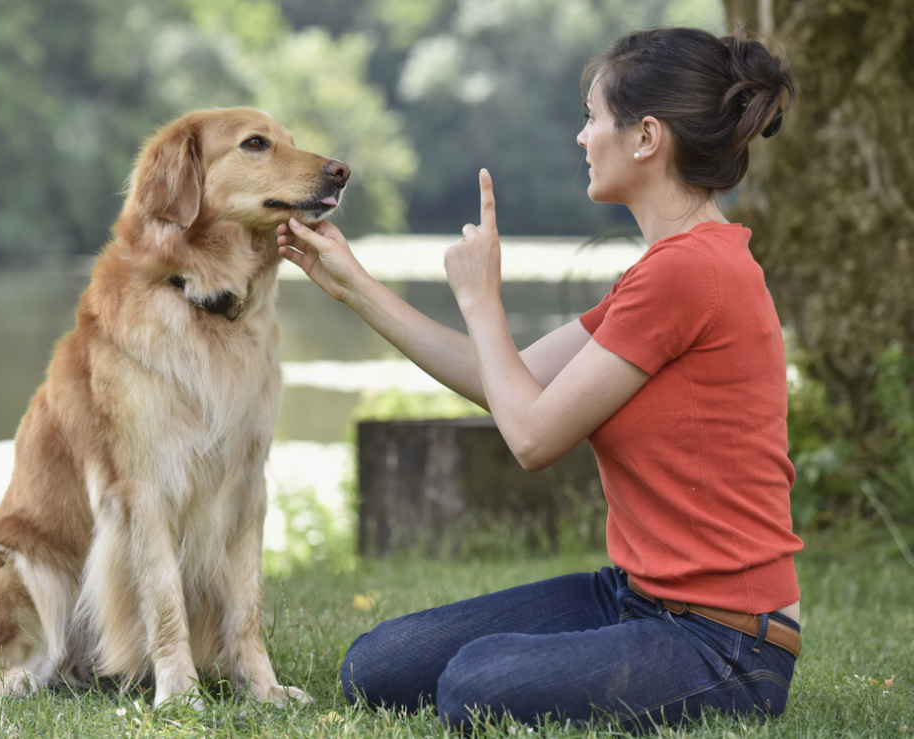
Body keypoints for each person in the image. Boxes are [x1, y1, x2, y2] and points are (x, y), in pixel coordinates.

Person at [276, 25, 801, 731]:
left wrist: (482, 299)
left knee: (473, 686)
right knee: (375, 666)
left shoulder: (689, 273)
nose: (582, 137)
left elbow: (528, 437)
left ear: (647, 137)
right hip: (640, 596)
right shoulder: (664, 271)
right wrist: (353, 285)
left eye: (593, 117)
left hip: (727, 641)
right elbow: (510, 381)